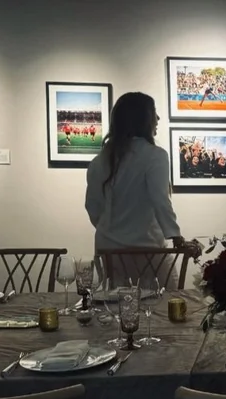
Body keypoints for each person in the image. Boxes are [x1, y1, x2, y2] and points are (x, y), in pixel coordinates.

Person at [84, 92, 187, 289]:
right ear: (144, 119)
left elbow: (93, 207)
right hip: (148, 248)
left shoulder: (100, 159)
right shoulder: (155, 155)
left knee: (114, 300)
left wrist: (113, 229)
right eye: (154, 113)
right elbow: (160, 200)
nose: (158, 119)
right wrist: (176, 236)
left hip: (108, 247)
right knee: (167, 299)